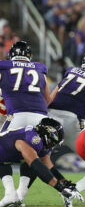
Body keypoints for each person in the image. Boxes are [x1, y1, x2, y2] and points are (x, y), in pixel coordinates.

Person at [0, 41, 51, 204]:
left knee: (1, 154)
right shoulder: (40, 69)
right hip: (41, 118)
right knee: (32, 155)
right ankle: (21, 195)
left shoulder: (4, 67)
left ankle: (10, 194)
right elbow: (47, 99)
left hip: (17, 115)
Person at [0, 118, 82, 206]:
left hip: (4, 158)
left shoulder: (38, 141)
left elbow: (49, 168)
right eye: (54, 142)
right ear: (49, 133)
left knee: (33, 161)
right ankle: (11, 195)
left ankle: (16, 195)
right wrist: (60, 189)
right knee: (34, 162)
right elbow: (38, 167)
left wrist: (66, 184)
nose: (53, 145)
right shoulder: (32, 138)